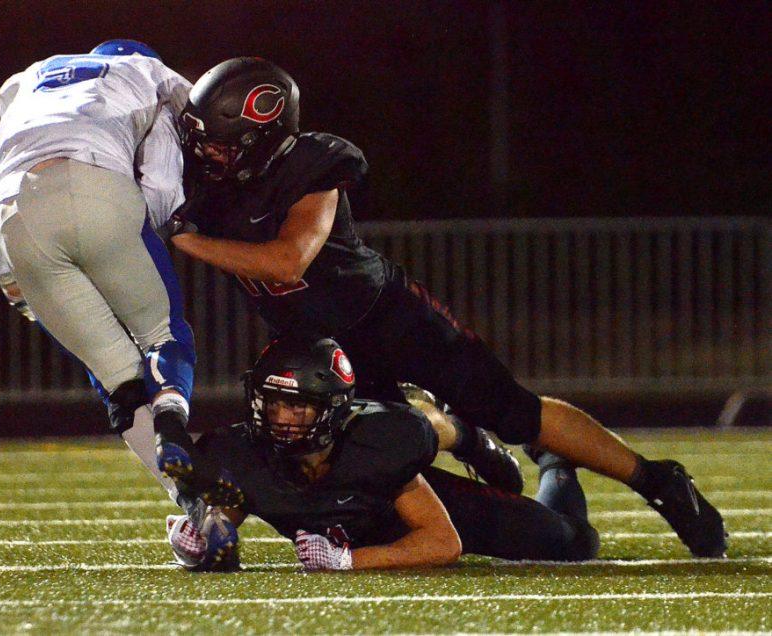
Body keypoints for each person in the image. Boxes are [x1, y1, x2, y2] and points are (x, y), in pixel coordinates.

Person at [165, 57, 727, 558]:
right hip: (321, 350)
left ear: (264, 139)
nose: (205, 153)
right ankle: (462, 435)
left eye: (221, 142)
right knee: (374, 450)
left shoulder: (315, 165)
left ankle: (658, 480)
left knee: (512, 411)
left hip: (387, 316)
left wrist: (185, 240)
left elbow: (290, 261)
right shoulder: (201, 182)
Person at [0, 39, 231, 506]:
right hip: (99, 187)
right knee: (163, 337)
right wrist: (145, 235)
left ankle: (198, 511)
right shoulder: (146, 73)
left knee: (118, 382)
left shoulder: (33, 82)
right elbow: (162, 180)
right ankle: (171, 422)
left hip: (17, 217)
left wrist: (15, 286)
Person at [167, 337, 605, 571]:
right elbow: (221, 522)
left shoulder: (376, 447)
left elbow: (443, 542)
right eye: (274, 402)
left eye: (298, 405)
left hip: (446, 514)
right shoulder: (242, 452)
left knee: (574, 543)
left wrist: (351, 561)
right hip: (375, 515)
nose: (283, 417)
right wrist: (199, 536)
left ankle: (553, 463)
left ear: (332, 407)